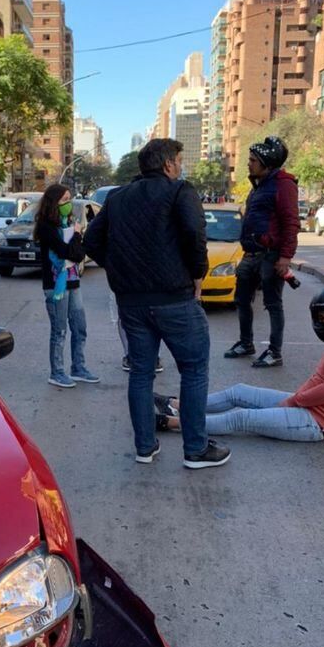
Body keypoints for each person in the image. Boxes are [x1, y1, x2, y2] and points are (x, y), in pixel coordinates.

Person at [83, 137, 230, 469]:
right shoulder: (180, 191)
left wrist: (120, 270)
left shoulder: (118, 198)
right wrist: (198, 273)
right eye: (179, 161)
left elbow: (91, 240)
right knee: (193, 371)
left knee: (141, 373)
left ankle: (145, 447)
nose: (181, 166)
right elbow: (195, 232)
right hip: (175, 299)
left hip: (132, 304)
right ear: (167, 165)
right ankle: (195, 449)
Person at [156, 287, 324, 441]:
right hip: (306, 406)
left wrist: (295, 401)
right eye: (320, 318)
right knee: (239, 392)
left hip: (315, 423)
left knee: (241, 418)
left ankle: (170, 422)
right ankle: (176, 404)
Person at [225, 136, 299, 368]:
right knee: (242, 299)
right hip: (252, 254)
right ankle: (246, 343)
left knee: (273, 304)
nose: (249, 163)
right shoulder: (260, 185)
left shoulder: (283, 185)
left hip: (271, 255)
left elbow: (291, 222)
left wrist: (285, 257)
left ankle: (274, 352)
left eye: (253, 160)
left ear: (266, 163)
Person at [34, 184, 99, 388]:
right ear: (53, 203)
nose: (68, 204)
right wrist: (77, 236)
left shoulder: (68, 223)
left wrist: (76, 240)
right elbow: (65, 252)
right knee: (59, 330)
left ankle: (78, 368)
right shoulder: (46, 227)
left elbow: (79, 255)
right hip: (56, 286)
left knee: (80, 327)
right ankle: (57, 372)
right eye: (64, 200)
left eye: (69, 199)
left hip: (73, 283)